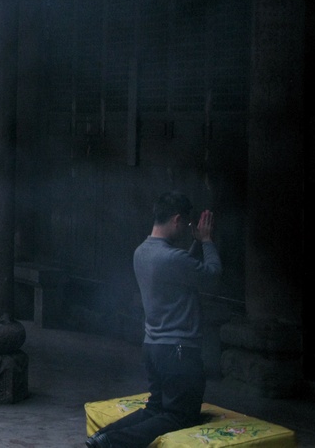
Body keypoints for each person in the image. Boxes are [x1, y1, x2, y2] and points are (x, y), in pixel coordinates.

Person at [86, 191, 222, 448]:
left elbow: (183, 270)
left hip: (153, 347)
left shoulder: (142, 252)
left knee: (156, 409)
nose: (186, 231)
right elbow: (212, 275)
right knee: (179, 415)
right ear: (177, 220)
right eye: (186, 225)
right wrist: (206, 240)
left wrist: (195, 243)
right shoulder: (172, 258)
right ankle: (110, 442)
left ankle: (99, 438)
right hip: (179, 351)